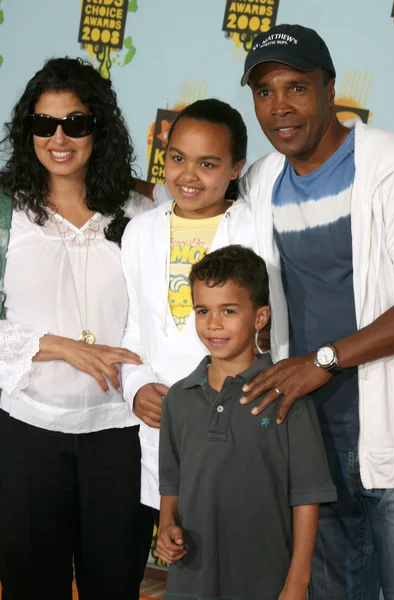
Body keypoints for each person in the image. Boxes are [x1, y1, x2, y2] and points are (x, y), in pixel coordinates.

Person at [236, 24, 394, 600]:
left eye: (296, 87)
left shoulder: (389, 167)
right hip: (309, 439)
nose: (279, 107)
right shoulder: (261, 182)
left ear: (331, 90)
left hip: (390, 433)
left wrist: (323, 361)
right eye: (264, 92)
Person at [0, 57, 156, 600]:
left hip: (121, 435)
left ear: (100, 130)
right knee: (30, 586)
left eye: (76, 123)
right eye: (44, 124)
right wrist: (56, 346)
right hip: (27, 435)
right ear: (28, 132)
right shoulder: (6, 213)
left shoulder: (143, 211)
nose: (59, 137)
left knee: (113, 586)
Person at [156, 245, 336, 600]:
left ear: (260, 317)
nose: (214, 323)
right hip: (189, 584)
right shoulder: (178, 398)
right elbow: (171, 483)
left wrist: (297, 585)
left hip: (266, 586)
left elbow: (306, 498)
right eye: (203, 310)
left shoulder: (288, 396)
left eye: (229, 310)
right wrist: (165, 528)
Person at [121, 99, 257, 518]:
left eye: (208, 164)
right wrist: (136, 388)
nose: (188, 175)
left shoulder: (255, 227)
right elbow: (133, 330)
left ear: (236, 168)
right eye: (177, 158)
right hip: (161, 423)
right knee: (177, 545)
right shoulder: (141, 231)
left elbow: (270, 329)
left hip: (237, 421)